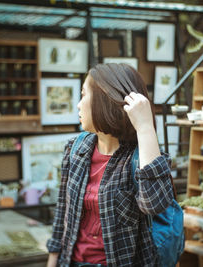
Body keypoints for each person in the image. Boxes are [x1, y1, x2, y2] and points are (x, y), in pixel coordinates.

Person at [46, 63, 174, 267]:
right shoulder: (75, 149)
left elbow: (154, 205)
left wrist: (145, 127)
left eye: (83, 95)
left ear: (103, 100)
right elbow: (63, 215)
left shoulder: (139, 157)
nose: (78, 105)